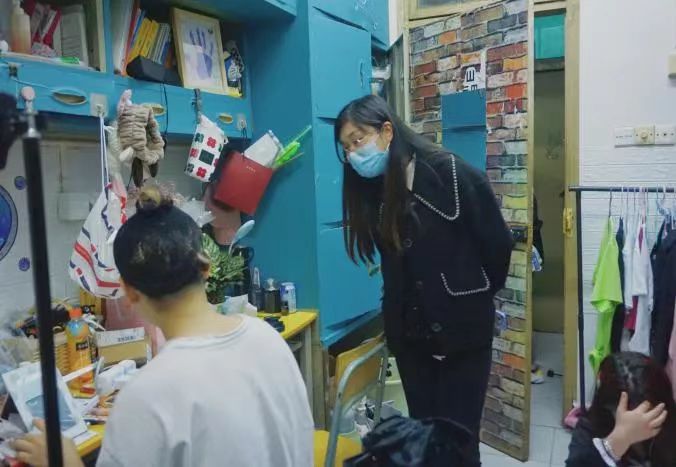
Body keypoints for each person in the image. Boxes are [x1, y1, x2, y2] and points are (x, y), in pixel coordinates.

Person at [13, 186, 314, 467]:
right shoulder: (267, 338)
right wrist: (140, 420)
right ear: (206, 266)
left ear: (128, 293)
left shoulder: (147, 395)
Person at [335, 95, 513, 466]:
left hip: (463, 337)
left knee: (460, 444)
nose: (353, 154)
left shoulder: (449, 173)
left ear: (387, 131)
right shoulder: (376, 191)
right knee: (424, 441)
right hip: (412, 342)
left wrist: (466, 300)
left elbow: (497, 247)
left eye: (357, 139)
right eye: (346, 147)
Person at [566, 352, 676, 466]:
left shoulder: (668, 424)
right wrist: (617, 442)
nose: (640, 422)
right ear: (610, 409)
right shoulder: (588, 429)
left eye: (651, 413)